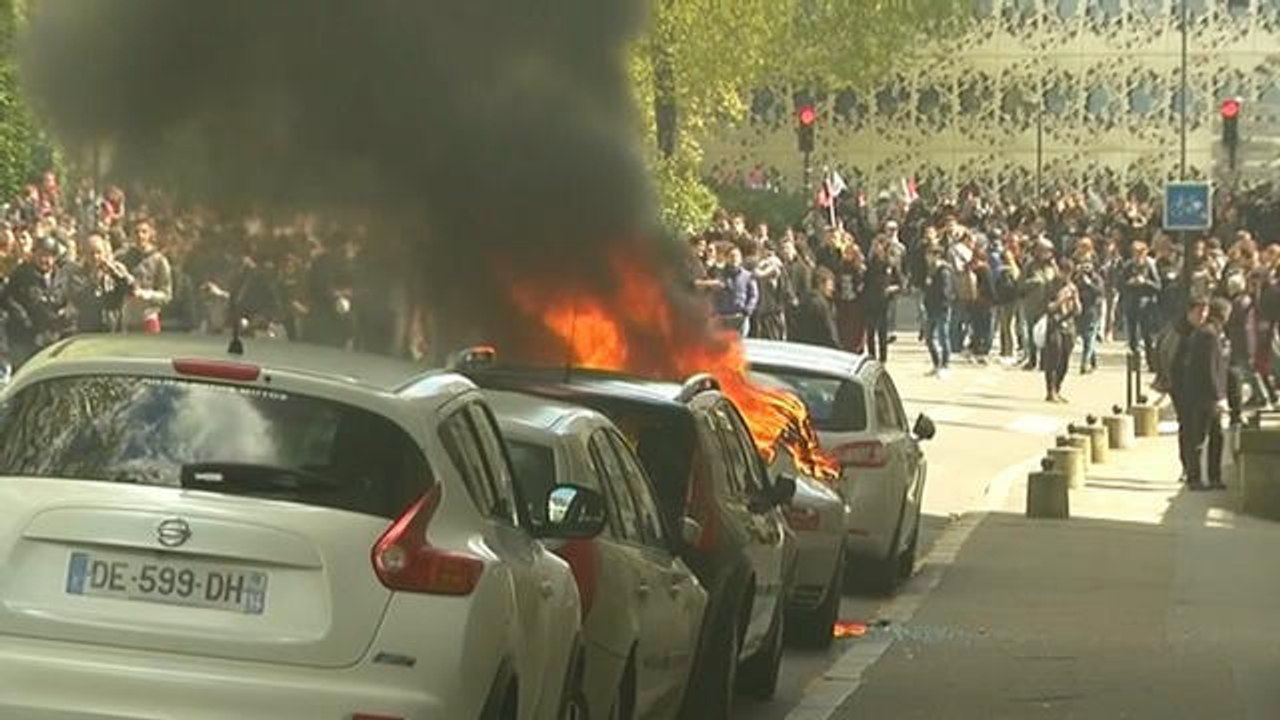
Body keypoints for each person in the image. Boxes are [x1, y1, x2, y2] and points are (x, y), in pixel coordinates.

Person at [1171, 298, 1228, 490]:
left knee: (1210, 436)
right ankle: (1198, 477)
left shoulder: (1204, 333)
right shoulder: (1208, 336)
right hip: (1204, 395)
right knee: (1203, 437)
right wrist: (1219, 396)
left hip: (1199, 394)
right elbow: (1210, 369)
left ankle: (1208, 476)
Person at [5, 237, 73, 366]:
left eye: (49, 256)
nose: (44, 260)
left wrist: (64, 314)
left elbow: (69, 300)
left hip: (53, 336)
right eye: (41, 255)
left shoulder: (62, 277)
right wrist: (25, 320)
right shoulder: (21, 275)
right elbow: (8, 300)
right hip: (26, 338)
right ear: (34, 255)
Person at [68, 233, 135, 333]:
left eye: (99, 252)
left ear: (105, 253)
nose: (95, 257)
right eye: (91, 253)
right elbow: (80, 301)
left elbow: (131, 289)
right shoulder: (77, 275)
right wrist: (94, 281)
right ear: (85, 255)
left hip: (114, 328)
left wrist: (115, 274)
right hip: (88, 329)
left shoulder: (117, 270)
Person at [118, 217, 173, 333]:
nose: (140, 236)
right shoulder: (123, 258)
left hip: (149, 316)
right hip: (128, 318)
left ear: (151, 234)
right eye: (136, 232)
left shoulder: (159, 260)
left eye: (144, 232)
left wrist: (147, 295)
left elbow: (167, 295)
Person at [1041, 258, 1081, 403]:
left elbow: (1078, 311)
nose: (1066, 277)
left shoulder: (1072, 287)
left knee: (1064, 361)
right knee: (1053, 359)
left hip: (1068, 325)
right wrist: (1061, 300)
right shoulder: (1051, 286)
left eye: (1069, 274)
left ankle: (1057, 389)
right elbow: (1048, 307)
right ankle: (1050, 391)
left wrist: (1075, 300)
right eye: (1065, 273)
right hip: (1054, 324)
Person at [862, 235, 903, 362]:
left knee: (882, 331)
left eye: (878, 245)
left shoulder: (890, 263)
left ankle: (883, 358)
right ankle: (871, 356)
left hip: (884, 301)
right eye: (874, 245)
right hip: (870, 299)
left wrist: (892, 289)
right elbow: (864, 280)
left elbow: (900, 283)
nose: (876, 248)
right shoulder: (869, 262)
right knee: (870, 331)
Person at [922, 245, 954, 378]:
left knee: (943, 336)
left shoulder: (943, 271)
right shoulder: (931, 270)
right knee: (929, 337)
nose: (927, 258)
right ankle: (936, 363)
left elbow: (945, 290)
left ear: (937, 255)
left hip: (941, 307)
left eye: (930, 255)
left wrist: (943, 303)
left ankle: (945, 364)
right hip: (930, 308)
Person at [713, 245, 758, 336]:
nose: (734, 259)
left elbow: (754, 295)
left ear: (741, 259)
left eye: (737, 256)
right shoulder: (718, 274)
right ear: (726, 258)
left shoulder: (748, 276)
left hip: (740, 317)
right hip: (723, 317)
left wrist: (748, 310)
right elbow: (712, 293)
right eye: (731, 256)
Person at [791, 267, 839, 348]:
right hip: (821, 348)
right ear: (820, 283)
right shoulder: (821, 305)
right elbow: (829, 331)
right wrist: (837, 347)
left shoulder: (804, 301)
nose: (832, 289)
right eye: (830, 285)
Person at [833, 243, 867, 353]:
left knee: (856, 328)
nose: (848, 255)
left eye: (851, 253)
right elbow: (836, 282)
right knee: (844, 328)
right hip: (843, 303)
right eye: (847, 252)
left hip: (856, 303)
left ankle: (857, 348)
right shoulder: (840, 266)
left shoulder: (860, 268)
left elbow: (863, 285)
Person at [1074, 255, 1105, 374]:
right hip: (1080, 311)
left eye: (1088, 264)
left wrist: (1089, 284)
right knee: (1086, 337)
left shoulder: (1097, 278)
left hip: (1092, 312)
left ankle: (1084, 364)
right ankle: (1093, 361)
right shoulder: (1077, 278)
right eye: (1083, 264)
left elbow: (1100, 292)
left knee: (1089, 338)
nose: (1086, 267)